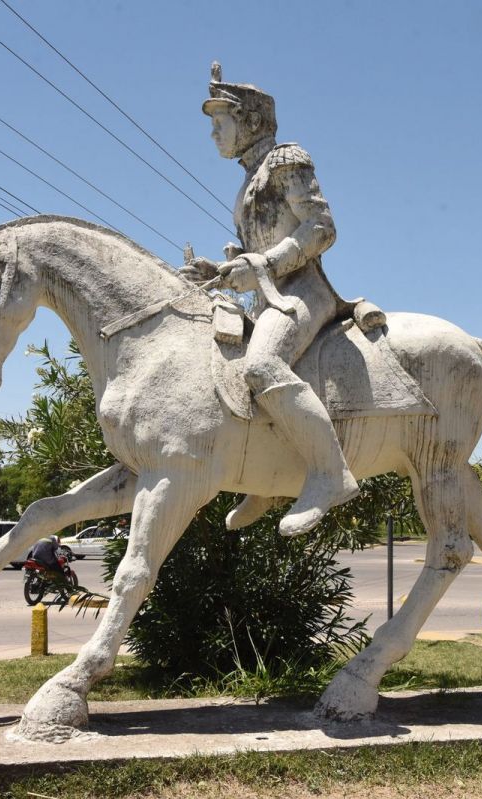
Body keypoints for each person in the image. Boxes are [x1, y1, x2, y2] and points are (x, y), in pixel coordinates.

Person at [181, 62, 358, 537]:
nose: (214, 134)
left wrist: (263, 265)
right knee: (230, 371)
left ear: (252, 122)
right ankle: (266, 477)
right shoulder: (248, 180)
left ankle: (329, 474)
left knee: (261, 366)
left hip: (304, 293)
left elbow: (321, 228)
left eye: (221, 123)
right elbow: (260, 253)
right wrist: (223, 269)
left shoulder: (285, 160)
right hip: (271, 298)